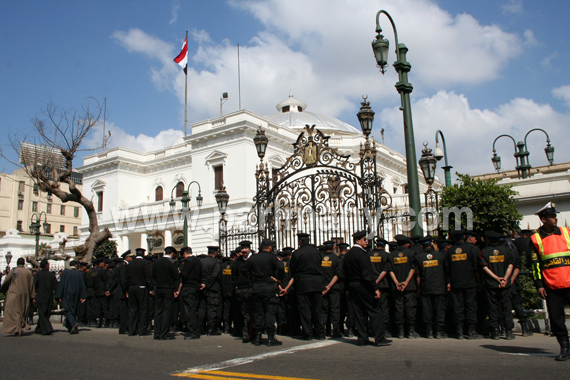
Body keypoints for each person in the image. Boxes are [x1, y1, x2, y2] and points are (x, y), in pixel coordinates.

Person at [530, 202, 570, 361]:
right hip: (551, 286)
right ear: (543, 219)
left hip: (569, 282)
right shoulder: (535, 238)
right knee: (556, 319)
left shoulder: (567, 232)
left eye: (555, 216)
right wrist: (539, 285)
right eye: (552, 216)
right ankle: (565, 347)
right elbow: (535, 265)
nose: (555, 219)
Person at [343, 231, 391, 347]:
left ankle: (362, 339)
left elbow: (344, 273)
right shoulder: (362, 254)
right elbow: (367, 274)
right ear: (357, 241)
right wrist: (375, 288)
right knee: (375, 310)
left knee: (359, 313)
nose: (367, 241)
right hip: (363, 285)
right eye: (365, 239)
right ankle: (379, 338)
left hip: (352, 285)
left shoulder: (348, 255)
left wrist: (348, 288)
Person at [284, 232, 325, 340]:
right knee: (318, 309)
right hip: (316, 283)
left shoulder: (297, 253)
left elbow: (293, 270)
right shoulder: (316, 252)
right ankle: (320, 332)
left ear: (300, 242)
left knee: (305, 310)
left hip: (303, 284)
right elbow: (320, 264)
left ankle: (308, 333)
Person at [247, 238, 284, 346]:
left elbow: (247, 270)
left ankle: (258, 337)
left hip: (257, 287)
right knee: (270, 312)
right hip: (269, 287)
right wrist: (279, 279)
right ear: (269, 247)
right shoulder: (272, 257)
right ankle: (270, 337)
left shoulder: (253, 258)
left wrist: (253, 280)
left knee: (258, 313)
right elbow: (280, 267)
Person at [480, 231, 515, 340]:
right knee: (506, 307)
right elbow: (510, 265)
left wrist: (496, 278)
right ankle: (508, 331)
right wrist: (505, 279)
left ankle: (495, 331)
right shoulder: (507, 251)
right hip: (505, 283)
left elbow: (485, 268)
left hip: (491, 283)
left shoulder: (484, 252)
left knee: (493, 307)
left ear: (488, 240)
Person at [446, 230, 481, 340]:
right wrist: (478, 282)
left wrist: (449, 282)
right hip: (469, 282)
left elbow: (447, 269)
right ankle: (471, 331)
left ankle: (459, 332)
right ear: (464, 237)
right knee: (471, 306)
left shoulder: (450, 251)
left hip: (456, 283)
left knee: (457, 307)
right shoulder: (472, 249)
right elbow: (476, 268)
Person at [415, 236, 447, 339]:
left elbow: (418, 276)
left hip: (426, 287)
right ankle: (438, 331)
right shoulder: (440, 256)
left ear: (422, 246)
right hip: (439, 287)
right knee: (439, 309)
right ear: (432, 244)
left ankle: (429, 332)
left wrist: (419, 289)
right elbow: (446, 272)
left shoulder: (419, 257)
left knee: (427, 310)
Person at [388, 234, 419, 339]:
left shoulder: (391, 255)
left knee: (399, 308)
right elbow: (413, 268)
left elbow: (390, 270)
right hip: (409, 285)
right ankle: (410, 331)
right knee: (410, 307)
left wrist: (397, 282)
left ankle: (400, 331)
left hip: (396, 286)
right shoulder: (411, 253)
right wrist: (406, 282)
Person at [1, 258, 35, 336]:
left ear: (17, 263)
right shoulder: (28, 272)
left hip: (14, 293)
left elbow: (7, 281)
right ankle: (20, 327)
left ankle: (16, 328)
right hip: (25, 294)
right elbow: (31, 285)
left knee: (13, 312)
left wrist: (3, 290)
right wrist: (32, 296)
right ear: (24, 263)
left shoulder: (14, 271)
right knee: (22, 311)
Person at [152, 246, 180, 340]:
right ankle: (163, 333)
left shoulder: (156, 262)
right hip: (168, 289)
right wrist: (176, 290)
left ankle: (156, 333)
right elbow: (176, 277)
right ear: (172, 253)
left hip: (158, 288)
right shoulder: (172, 263)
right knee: (166, 311)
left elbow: (153, 276)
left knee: (158, 311)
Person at [125, 247, 153, 336]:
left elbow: (126, 277)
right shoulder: (145, 263)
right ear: (143, 254)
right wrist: (151, 288)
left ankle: (132, 330)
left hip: (131, 287)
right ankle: (142, 330)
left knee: (132, 309)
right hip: (142, 287)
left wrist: (127, 289)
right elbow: (148, 276)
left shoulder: (130, 263)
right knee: (143, 309)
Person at [55, 260, 87, 334]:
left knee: (68, 309)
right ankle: (70, 326)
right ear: (76, 265)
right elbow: (82, 285)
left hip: (67, 293)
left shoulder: (66, 273)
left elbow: (61, 284)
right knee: (74, 308)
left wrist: (59, 295)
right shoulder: (79, 273)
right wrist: (83, 295)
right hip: (76, 293)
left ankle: (73, 323)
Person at [180, 246, 203, 340]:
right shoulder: (198, 260)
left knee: (190, 310)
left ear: (185, 253)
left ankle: (193, 331)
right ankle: (196, 329)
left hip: (188, 286)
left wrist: (180, 272)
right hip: (195, 286)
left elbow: (185, 274)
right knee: (194, 309)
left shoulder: (189, 261)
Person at [232, 243, 254, 342]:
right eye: (242, 248)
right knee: (244, 313)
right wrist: (236, 286)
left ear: (249, 249)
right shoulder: (238, 261)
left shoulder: (253, 259)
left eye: (245, 248)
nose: (244, 250)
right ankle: (245, 332)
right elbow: (234, 274)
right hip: (241, 289)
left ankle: (250, 332)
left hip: (251, 288)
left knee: (250, 313)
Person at [320, 240, 342, 338]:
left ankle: (326, 329)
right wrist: (330, 286)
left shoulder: (320, 259)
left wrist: (325, 287)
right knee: (335, 309)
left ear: (325, 248)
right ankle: (336, 330)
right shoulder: (337, 259)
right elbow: (338, 274)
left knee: (324, 309)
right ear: (333, 248)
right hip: (334, 287)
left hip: (322, 287)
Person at [199, 246, 222, 336]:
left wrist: (202, 283)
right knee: (212, 309)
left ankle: (201, 328)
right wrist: (207, 284)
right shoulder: (216, 262)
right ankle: (211, 329)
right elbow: (214, 275)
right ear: (215, 253)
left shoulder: (201, 261)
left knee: (202, 308)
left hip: (201, 288)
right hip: (212, 288)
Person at [34, 259, 58, 335]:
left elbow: (34, 284)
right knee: (46, 312)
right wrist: (58, 296)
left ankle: (40, 328)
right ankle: (47, 328)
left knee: (41, 312)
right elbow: (56, 286)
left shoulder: (38, 274)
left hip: (40, 295)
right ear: (47, 265)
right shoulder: (51, 275)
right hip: (49, 295)